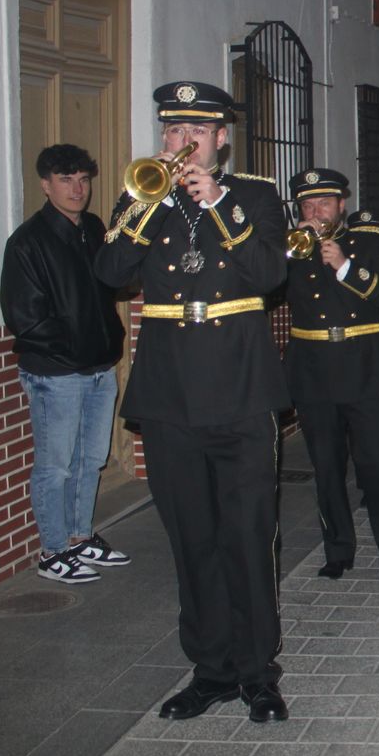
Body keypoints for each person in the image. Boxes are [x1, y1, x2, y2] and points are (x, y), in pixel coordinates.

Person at [94, 81, 290, 722]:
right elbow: (109, 269)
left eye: (198, 131)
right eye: (175, 132)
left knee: (248, 535)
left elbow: (269, 276)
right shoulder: (143, 196)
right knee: (192, 539)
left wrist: (219, 206)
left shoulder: (256, 197)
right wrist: (147, 205)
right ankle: (210, 670)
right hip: (171, 393)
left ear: (221, 140)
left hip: (238, 391)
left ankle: (259, 671)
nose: (185, 143)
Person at [0, 143, 128, 584]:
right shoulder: (27, 242)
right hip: (57, 373)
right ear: (45, 184)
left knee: (91, 459)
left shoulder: (92, 228)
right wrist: (74, 354)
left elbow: (112, 286)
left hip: (98, 368)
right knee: (55, 465)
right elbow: (25, 319)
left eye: (83, 179)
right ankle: (53, 550)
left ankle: (80, 538)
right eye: (65, 180)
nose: (77, 188)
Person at [283, 169, 379, 577]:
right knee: (326, 467)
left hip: (365, 369)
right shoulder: (291, 248)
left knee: (375, 464)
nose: (315, 212)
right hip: (314, 371)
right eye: (306, 205)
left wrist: (345, 266)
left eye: (323, 204)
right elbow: (263, 287)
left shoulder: (368, 243)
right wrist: (285, 253)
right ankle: (338, 550)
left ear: (341, 205)